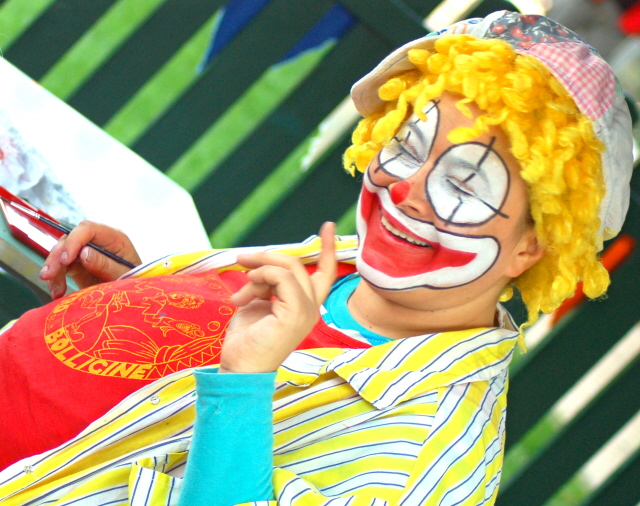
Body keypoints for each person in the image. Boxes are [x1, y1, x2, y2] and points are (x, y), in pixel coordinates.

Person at [0, 10, 633, 506]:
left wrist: (243, 389)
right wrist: (131, 292)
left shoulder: (431, 463)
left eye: (465, 185)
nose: (405, 190)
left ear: (531, 245)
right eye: (408, 145)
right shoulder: (345, 266)